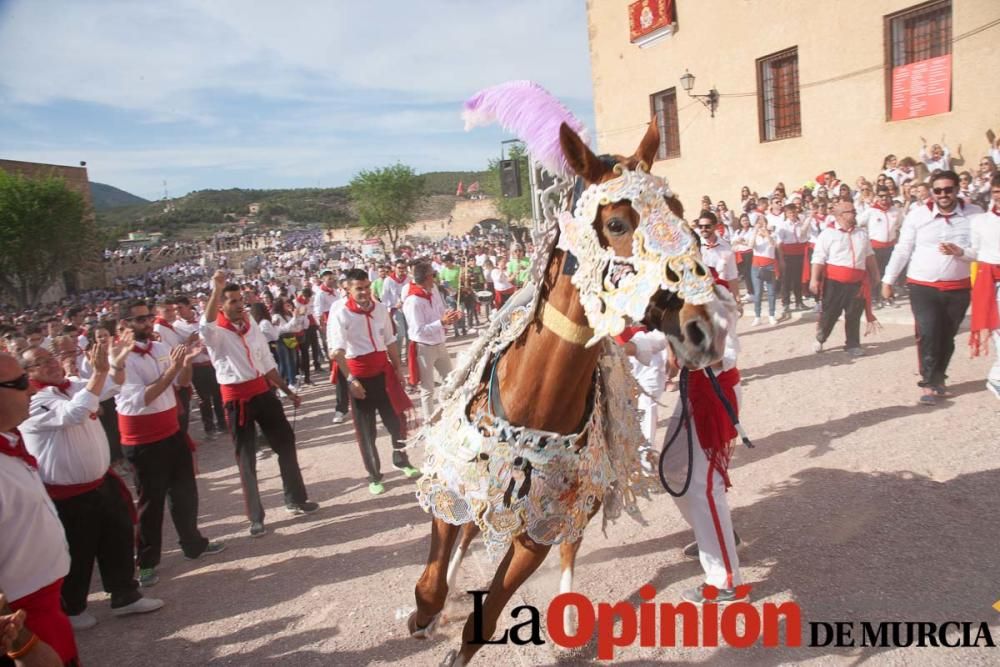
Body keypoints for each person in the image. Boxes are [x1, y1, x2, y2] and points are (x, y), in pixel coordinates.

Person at [19, 344, 164, 630]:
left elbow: (112, 386)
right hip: (67, 493)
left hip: (100, 482)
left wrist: (116, 365)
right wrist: (99, 373)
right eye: (40, 362)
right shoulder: (33, 400)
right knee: (78, 550)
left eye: (52, 357)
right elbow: (74, 413)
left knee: (118, 538)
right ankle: (73, 607)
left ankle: (125, 594)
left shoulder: (72, 384)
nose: (51, 363)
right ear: (28, 373)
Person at [114, 300, 224, 587]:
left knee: (185, 491)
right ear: (125, 325)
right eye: (140, 319)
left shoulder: (161, 347)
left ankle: (193, 543)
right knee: (151, 501)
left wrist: (184, 364)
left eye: (149, 317)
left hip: (171, 429)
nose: (147, 323)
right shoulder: (122, 360)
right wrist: (173, 368)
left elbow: (181, 383)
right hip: (144, 438)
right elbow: (144, 397)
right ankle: (147, 562)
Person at [200, 272, 318, 537]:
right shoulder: (216, 332)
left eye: (240, 299)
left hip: (263, 392)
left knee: (286, 443)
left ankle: (295, 498)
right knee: (246, 457)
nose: (238, 304)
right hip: (237, 399)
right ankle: (255, 516)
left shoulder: (251, 323)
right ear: (221, 305)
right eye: (231, 301)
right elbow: (204, 327)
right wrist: (215, 289)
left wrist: (287, 392)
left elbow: (266, 362)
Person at [660, 281, 746, 604]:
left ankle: (726, 581)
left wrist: (678, 347)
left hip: (713, 393)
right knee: (674, 472)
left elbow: (718, 352)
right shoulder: (669, 294)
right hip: (694, 391)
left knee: (704, 487)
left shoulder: (712, 293)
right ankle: (713, 537)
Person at [0, 353, 79, 666]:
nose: (31, 390)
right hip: (17, 625)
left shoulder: (9, 442)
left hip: (42, 611)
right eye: (20, 383)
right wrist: (21, 643)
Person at [882, 170, 983, 405]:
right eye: (938, 190)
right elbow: (903, 248)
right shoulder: (918, 216)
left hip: (957, 286)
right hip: (922, 285)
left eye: (948, 190)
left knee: (947, 335)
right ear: (932, 192)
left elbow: (983, 249)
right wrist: (888, 280)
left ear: (957, 190)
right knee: (928, 332)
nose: (943, 194)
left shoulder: (974, 215)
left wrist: (962, 252)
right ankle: (929, 383)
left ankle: (939, 376)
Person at [327, 269, 419, 495]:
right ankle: (374, 475)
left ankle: (401, 460)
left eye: (367, 287)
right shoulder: (340, 313)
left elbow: (390, 341)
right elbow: (336, 352)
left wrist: (398, 368)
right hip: (359, 377)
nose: (364, 292)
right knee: (366, 431)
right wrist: (351, 380)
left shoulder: (379, 309)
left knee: (395, 421)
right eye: (359, 288)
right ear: (347, 289)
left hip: (383, 373)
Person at [809, 201, 881, 356]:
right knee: (830, 313)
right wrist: (814, 279)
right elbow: (818, 258)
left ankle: (852, 344)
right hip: (834, 282)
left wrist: (875, 274)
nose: (854, 214)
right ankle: (821, 338)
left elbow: (869, 255)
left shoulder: (862, 233)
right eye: (851, 211)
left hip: (858, 282)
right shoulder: (828, 234)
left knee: (854, 314)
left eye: (854, 211)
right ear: (840, 215)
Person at [403, 262, 462, 422]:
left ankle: (452, 415)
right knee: (428, 389)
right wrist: (441, 322)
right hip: (424, 348)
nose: (436, 278)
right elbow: (417, 331)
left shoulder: (433, 290)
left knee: (451, 381)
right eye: (433, 275)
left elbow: (440, 312)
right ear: (427, 277)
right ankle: (429, 422)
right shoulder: (413, 301)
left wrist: (450, 316)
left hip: (440, 344)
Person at [963, 172, 1000, 399]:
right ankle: (997, 377)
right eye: (997, 192)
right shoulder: (981, 222)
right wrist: (959, 252)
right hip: (993, 281)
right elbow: (975, 251)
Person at [173, 296, 226, 437]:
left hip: (212, 362)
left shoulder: (203, 318)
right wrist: (189, 341)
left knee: (218, 394)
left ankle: (223, 422)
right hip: (197, 365)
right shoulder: (176, 327)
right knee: (204, 398)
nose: (177, 311)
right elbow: (179, 348)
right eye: (175, 309)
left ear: (189, 305)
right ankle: (209, 426)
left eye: (180, 307)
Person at [857, 188, 902, 306]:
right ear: (877, 197)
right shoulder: (871, 211)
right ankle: (874, 297)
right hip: (875, 246)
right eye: (881, 196)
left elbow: (900, 225)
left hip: (890, 246)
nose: (884, 198)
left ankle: (887, 297)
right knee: (875, 273)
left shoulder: (896, 211)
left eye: (886, 196)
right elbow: (859, 222)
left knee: (889, 272)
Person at [775, 204, 809, 314]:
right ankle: (786, 303)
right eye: (790, 213)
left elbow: (803, 237)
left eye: (794, 212)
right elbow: (779, 244)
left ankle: (799, 302)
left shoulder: (800, 224)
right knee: (786, 280)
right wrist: (781, 259)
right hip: (787, 254)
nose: (792, 215)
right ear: (786, 214)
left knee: (797, 279)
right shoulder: (783, 226)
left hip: (798, 253)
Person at [749, 215, 779, 325]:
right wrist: (755, 231)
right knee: (758, 292)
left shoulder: (773, 235)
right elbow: (750, 245)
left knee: (771, 292)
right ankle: (757, 316)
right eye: (759, 222)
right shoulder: (754, 236)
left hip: (769, 266)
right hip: (757, 266)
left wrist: (767, 233)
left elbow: (773, 245)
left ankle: (771, 315)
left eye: (763, 222)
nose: (762, 224)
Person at [379, 261, 410, 361]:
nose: (402, 270)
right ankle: (398, 357)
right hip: (395, 310)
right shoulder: (389, 280)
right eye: (399, 268)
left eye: (403, 268)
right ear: (395, 268)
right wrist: (391, 306)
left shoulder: (408, 279)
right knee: (400, 334)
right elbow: (383, 297)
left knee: (410, 334)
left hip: (408, 309)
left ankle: (409, 357)